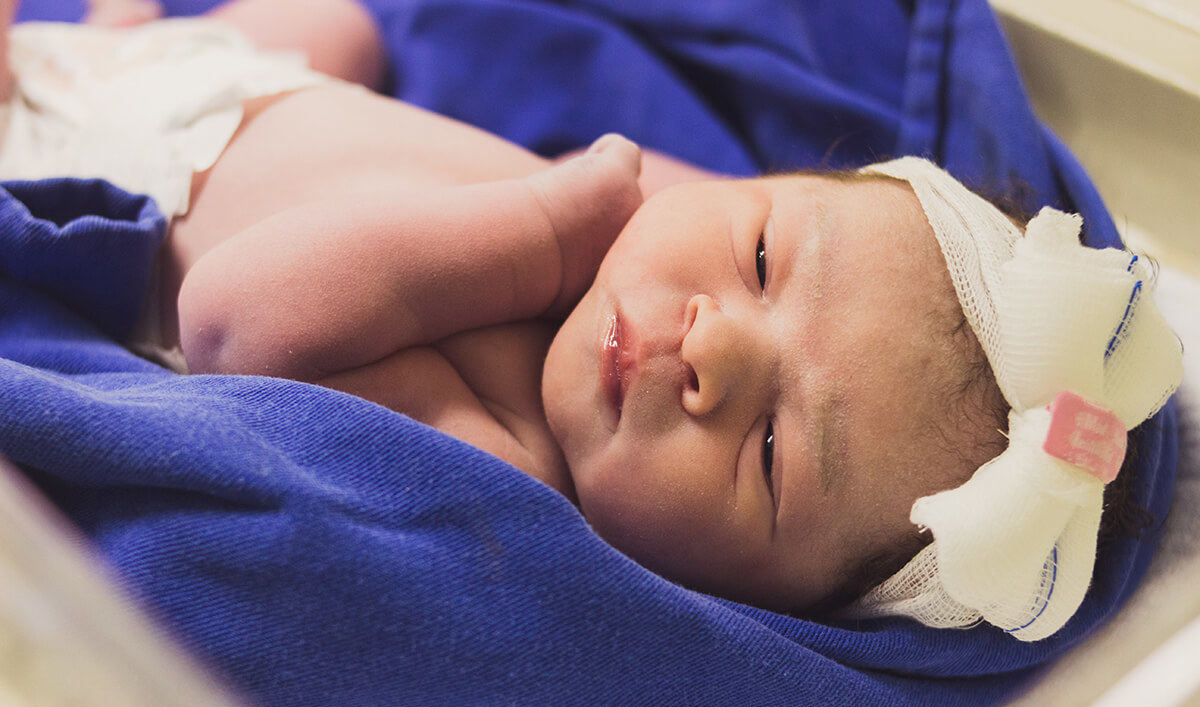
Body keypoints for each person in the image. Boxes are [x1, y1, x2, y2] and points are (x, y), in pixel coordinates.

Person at [0, 0, 1182, 639]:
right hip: (240, 78)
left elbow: (233, 319)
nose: (714, 345)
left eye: (773, 452)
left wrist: (542, 230)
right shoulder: (662, 231)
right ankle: (118, 36)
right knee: (348, 24)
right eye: (761, 256)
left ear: (755, 600)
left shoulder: (507, 455)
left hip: (87, 162)